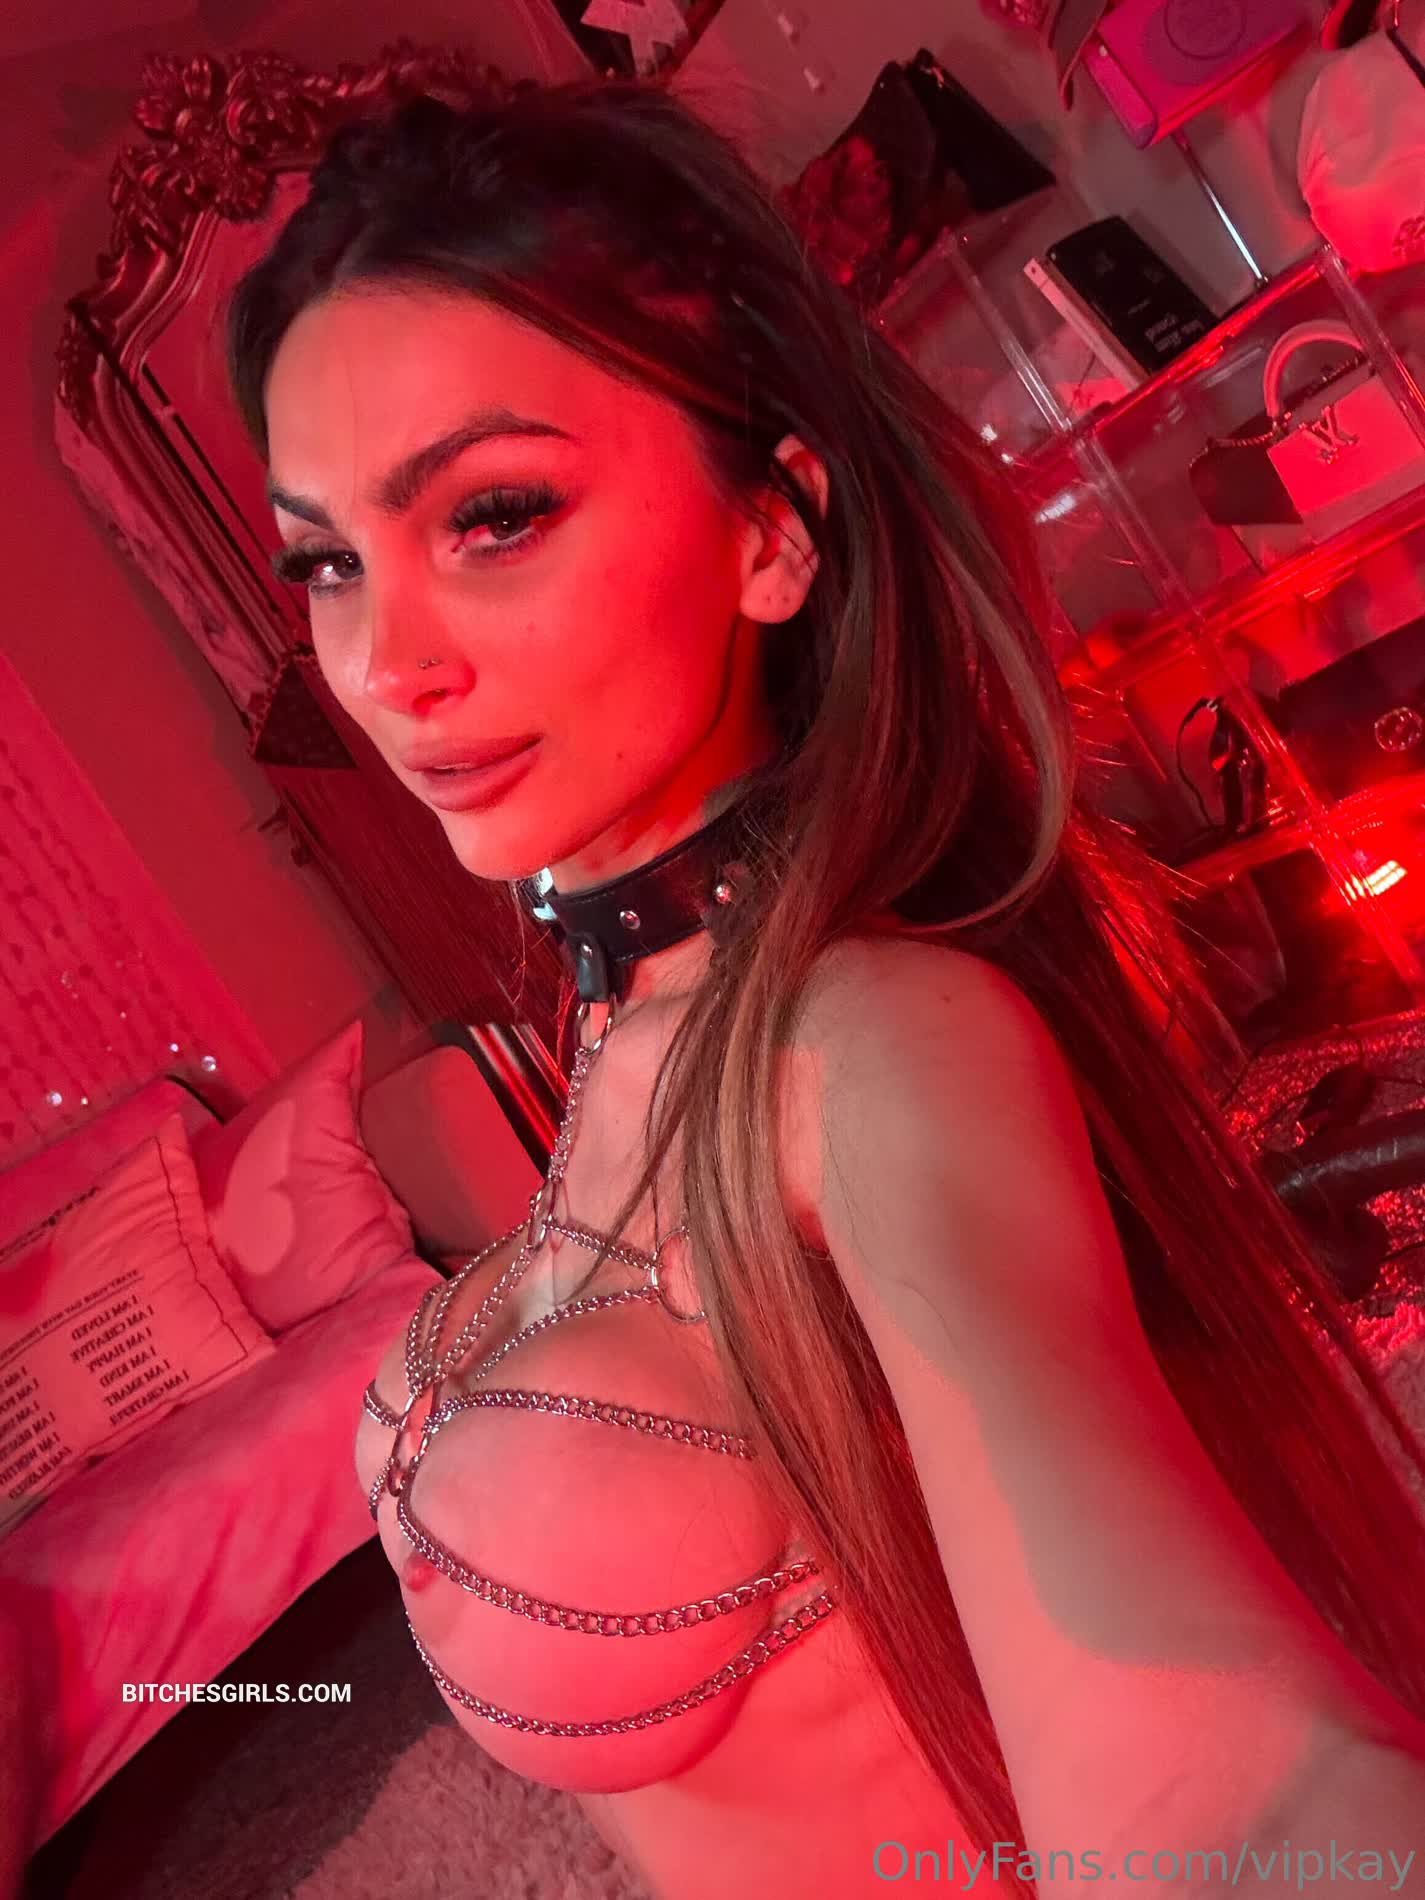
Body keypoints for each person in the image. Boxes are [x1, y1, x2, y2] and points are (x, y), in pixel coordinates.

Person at [225, 77, 1425, 1897]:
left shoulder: (870, 1037)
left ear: (771, 535)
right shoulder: (627, 1014)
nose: (386, 665)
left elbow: (1208, 1792)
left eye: (492, 515)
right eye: (328, 560)